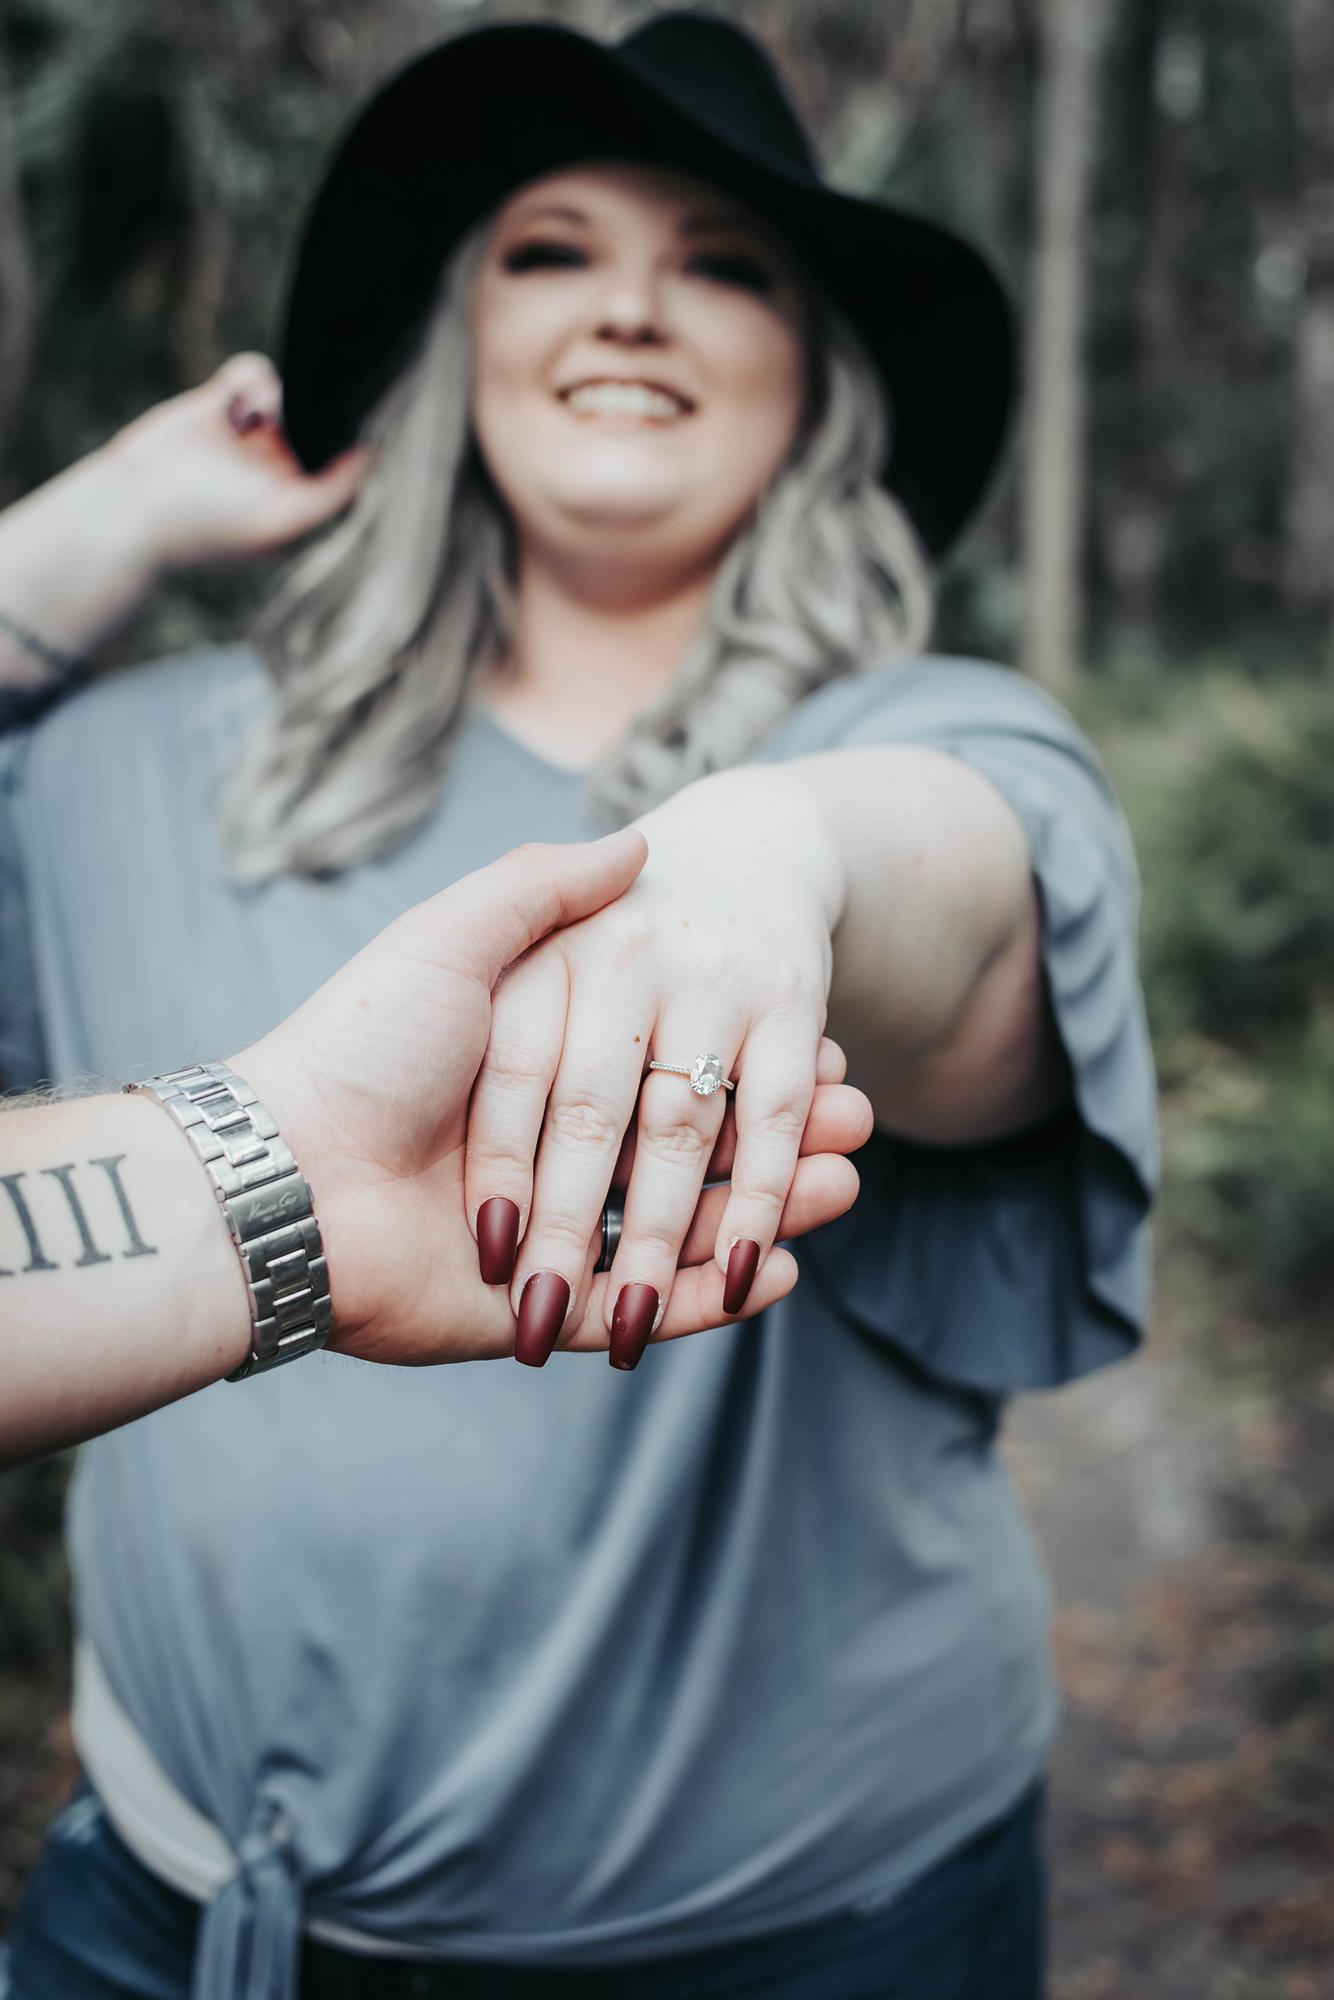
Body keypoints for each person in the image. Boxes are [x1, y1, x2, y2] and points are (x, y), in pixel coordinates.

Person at [0, 13, 1158, 1999]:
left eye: (723, 266)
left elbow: (970, 923)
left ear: (813, 383)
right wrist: (89, 526)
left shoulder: (926, 737)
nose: (631, 304)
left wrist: (771, 852)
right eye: (550, 251)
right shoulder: (130, 764)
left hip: (807, 1939)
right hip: (165, 1916)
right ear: (456, 340)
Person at [0, 824, 872, 1467]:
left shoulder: (879, 711)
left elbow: (917, 846)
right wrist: (308, 1155)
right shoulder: (110, 745)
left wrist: (760, 840)